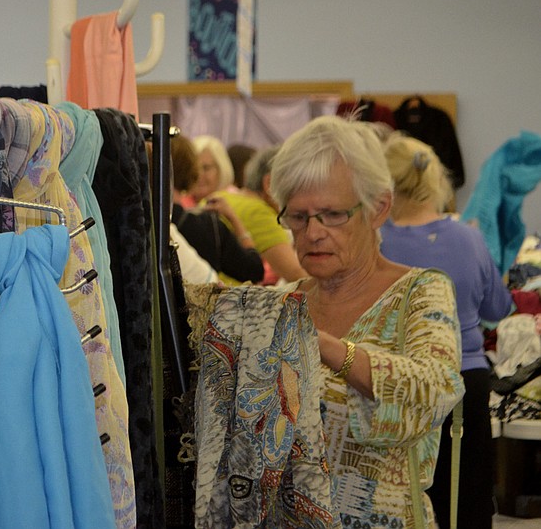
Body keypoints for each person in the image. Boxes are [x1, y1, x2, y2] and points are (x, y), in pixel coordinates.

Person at [270, 115, 465, 527]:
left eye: (332, 214)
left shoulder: (420, 294)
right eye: (298, 217)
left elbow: (435, 388)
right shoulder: (280, 304)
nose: (313, 232)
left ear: (378, 209)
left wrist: (327, 347)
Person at [380, 133, 513, 529]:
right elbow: (497, 309)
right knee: (467, 503)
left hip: (398, 385)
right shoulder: (469, 238)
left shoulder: (376, 242)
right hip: (463, 383)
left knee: (402, 504)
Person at [169, 134, 264, 285]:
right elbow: (255, 270)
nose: (201, 174)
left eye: (206, 168)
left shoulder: (142, 221)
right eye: (198, 167)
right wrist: (234, 220)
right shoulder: (208, 224)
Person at [215, 145, 309, 284]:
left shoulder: (221, 196)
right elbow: (297, 276)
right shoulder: (259, 213)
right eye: (295, 184)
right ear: (269, 184)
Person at [183, 135, 235, 207]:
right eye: (194, 168)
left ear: (221, 170)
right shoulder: (177, 204)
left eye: (206, 168)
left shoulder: (234, 203)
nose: (199, 174)